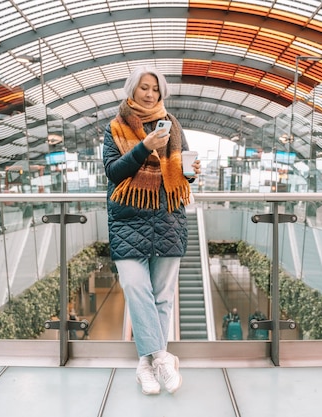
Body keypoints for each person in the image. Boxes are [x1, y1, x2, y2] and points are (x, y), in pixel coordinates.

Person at [102, 65, 201, 395]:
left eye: (155, 89)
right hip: (127, 222)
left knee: (162, 297)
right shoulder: (115, 128)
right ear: (133, 88)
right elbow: (114, 173)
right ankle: (162, 358)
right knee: (136, 289)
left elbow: (180, 174)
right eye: (144, 87)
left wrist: (192, 173)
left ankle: (145, 366)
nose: (150, 94)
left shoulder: (172, 125)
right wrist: (144, 146)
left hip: (168, 221)